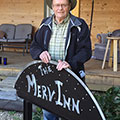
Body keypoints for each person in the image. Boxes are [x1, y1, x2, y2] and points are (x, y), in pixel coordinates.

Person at [30, 0, 92, 119]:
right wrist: (40, 53)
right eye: (57, 5)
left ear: (69, 7)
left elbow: (86, 51)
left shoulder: (79, 24)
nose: (60, 8)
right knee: (49, 112)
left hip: (70, 75)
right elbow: (34, 46)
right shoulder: (45, 24)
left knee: (71, 112)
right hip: (48, 75)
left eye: (64, 5)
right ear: (52, 7)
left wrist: (70, 63)